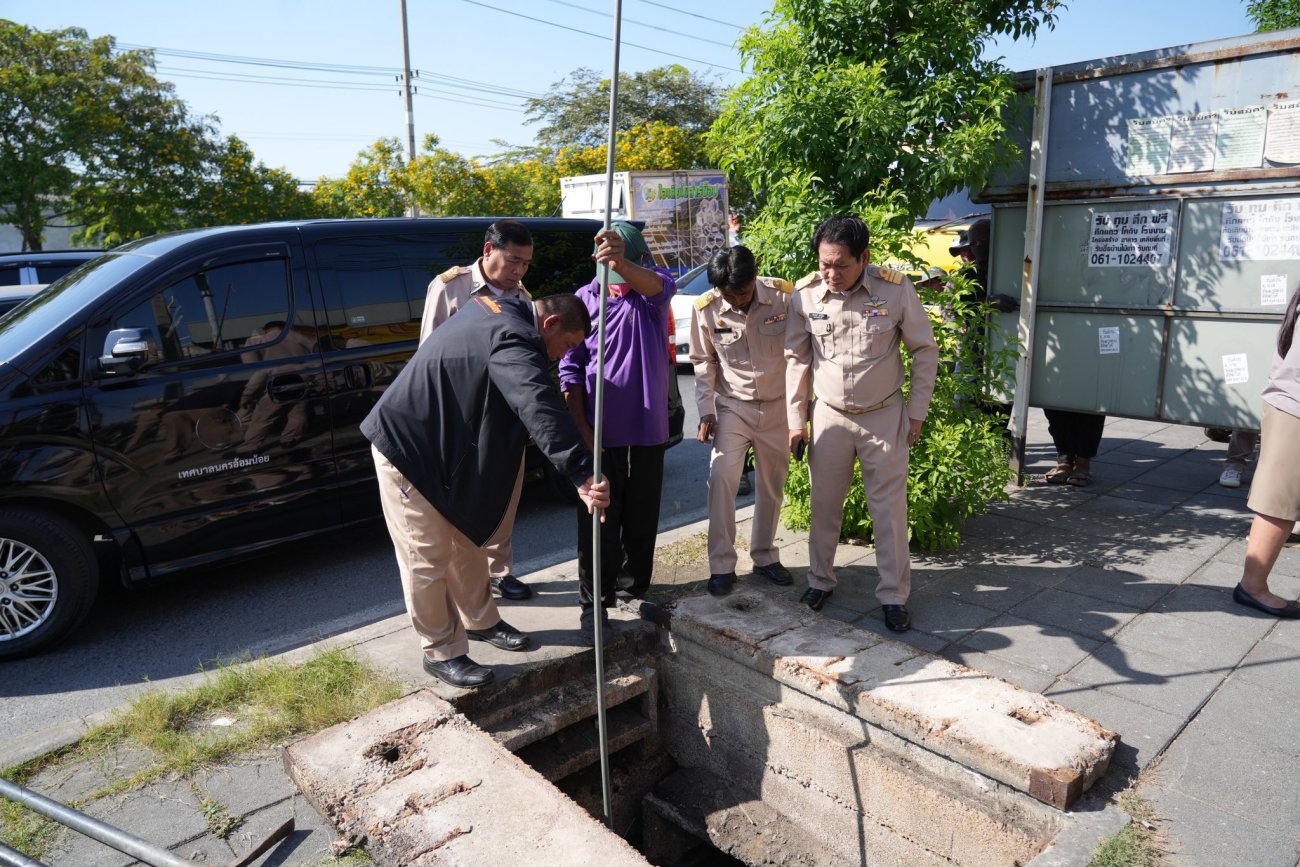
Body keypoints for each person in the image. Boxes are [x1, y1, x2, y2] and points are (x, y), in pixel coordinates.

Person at [362, 291, 611, 688]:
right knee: (425, 555)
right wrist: (582, 472)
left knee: (468, 538)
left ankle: (479, 621)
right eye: (566, 346)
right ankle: (441, 650)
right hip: (410, 449)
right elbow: (535, 400)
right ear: (549, 324)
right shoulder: (513, 334)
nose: (562, 356)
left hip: (446, 448)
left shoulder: (498, 308)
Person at [786, 215, 939, 633]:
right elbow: (797, 359)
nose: (831, 274)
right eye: (825, 264)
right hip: (829, 416)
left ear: (864, 257)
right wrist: (795, 421)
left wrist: (917, 413)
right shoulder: (805, 295)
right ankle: (820, 580)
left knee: (889, 512)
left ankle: (893, 596)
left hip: (884, 416)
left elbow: (925, 350)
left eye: (841, 265)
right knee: (824, 505)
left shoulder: (894, 289)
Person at [559, 222, 676, 642]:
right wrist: (581, 425)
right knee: (599, 520)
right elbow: (570, 367)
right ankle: (595, 601)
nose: (612, 277)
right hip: (599, 433)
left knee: (642, 514)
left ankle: (634, 587)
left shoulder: (652, 293)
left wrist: (622, 263)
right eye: (607, 266)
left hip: (647, 428)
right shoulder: (584, 299)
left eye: (621, 264)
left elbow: (658, 287)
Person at [418, 219, 535, 601]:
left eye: (525, 264)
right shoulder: (449, 287)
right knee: (457, 499)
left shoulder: (522, 297)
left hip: (502, 414)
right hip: (459, 413)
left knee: (504, 495)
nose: (518, 271)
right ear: (488, 251)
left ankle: (500, 570)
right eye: (513, 260)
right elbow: (428, 356)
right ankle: (463, 578)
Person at [689, 245, 794, 596]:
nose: (735, 301)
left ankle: (764, 556)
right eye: (727, 294)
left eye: (742, 293)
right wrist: (706, 410)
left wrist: (802, 409)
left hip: (778, 405)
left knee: (772, 484)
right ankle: (721, 564)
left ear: (755, 276)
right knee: (721, 477)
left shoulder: (783, 297)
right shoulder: (705, 308)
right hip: (733, 406)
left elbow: (801, 352)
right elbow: (703, 361)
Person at [1234, 284, 1300, 618]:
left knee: (1283, 502)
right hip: (1295, 407)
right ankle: (1252, 586)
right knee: (1279, 504)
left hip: (1290, 402)